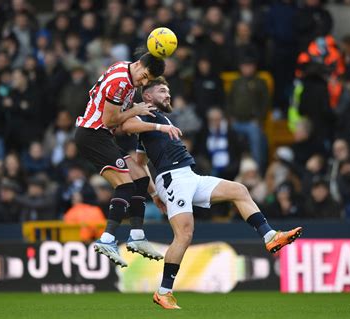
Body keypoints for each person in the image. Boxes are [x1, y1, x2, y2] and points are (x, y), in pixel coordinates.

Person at [121, 77, 302, 309]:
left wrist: (154, 194)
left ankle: (270, 237)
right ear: (147, 96)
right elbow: (126, 126)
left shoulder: (156, 120)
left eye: (168, 90)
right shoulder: (147, 116)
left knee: (239, 190)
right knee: (184, 235)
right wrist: (159, 130)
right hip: (173, 179)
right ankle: (163, 292)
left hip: (189, 176)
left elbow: (139, 161)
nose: (168, 94)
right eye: (162, 91)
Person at [74, 52, 182, 267]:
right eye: (144, 76)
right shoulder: (121, 82)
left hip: (102, 136)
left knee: (140, 178)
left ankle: (137, 235)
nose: (143, 82)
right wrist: (138, 111)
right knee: (124, 185)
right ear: (139, 64)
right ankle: (107, 239)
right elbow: (110, 120)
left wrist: (154, 193)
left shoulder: (126, 72)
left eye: (147, 80)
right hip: (92, 134)